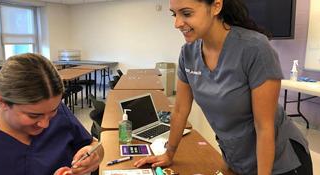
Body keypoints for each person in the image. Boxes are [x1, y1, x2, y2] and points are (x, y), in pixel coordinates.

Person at [134, 0, 313, 174]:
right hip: (237, 159)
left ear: (216, 6)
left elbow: (264, 127)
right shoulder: (188, 53)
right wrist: (169, 154)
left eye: (186, 13)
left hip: (280, 163)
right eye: (174, 14)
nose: (177, 23)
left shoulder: (255, 48)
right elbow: (180, 110)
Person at [0, 53, 104, 175]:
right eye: (33, 116)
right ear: (2, 102)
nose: (45, 124)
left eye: (53, 111)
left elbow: (94, 145)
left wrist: (93, 156)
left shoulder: (60, 113)